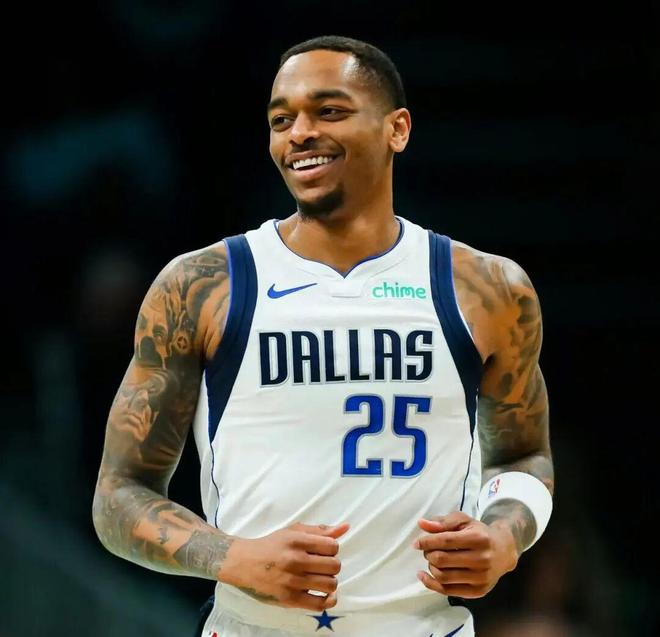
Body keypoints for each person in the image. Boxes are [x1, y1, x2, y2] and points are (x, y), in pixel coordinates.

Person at [92, 35, 554, 637]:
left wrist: (503, 536)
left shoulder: (486, 289)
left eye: (329, 111)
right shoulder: (204, 286)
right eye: (281, 120)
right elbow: (118, 495)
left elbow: (524, 456)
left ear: (397, 129)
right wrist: (231, 556)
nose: (300, 133)